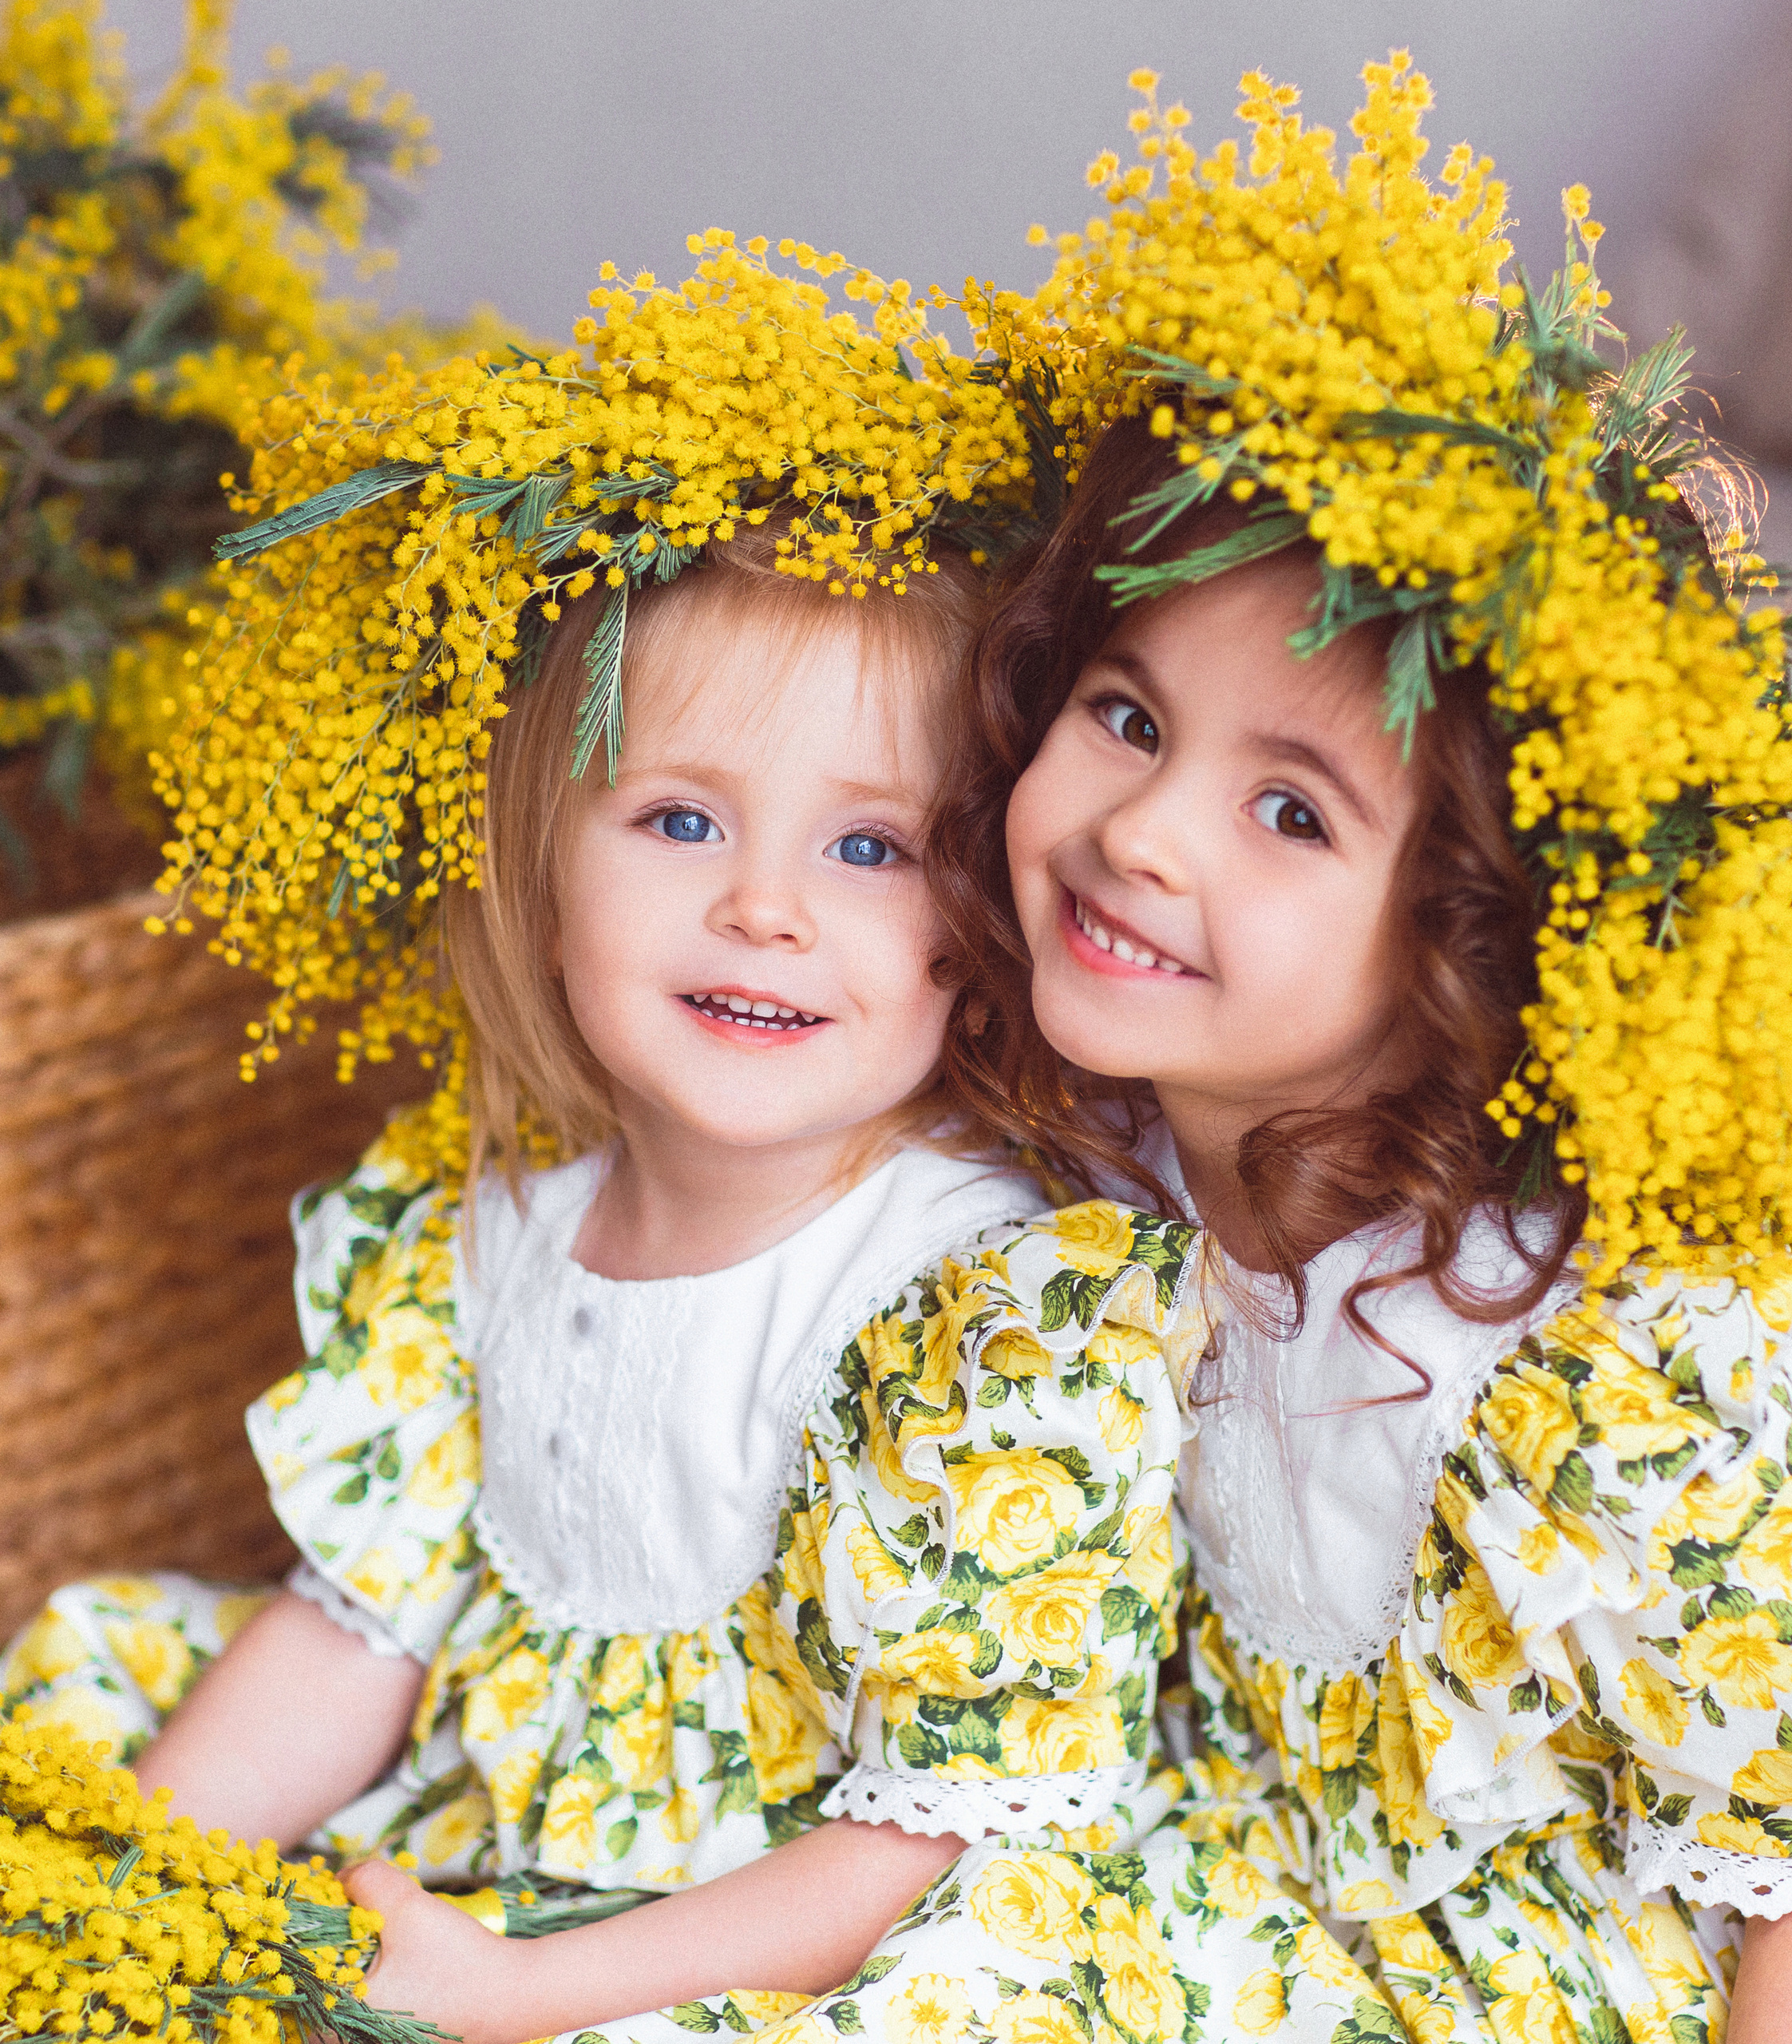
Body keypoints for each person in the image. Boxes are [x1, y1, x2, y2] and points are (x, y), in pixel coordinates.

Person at [745, 57, 1792, 2044]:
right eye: (1121, 712)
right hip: (1293, 1884)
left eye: (1292, 813)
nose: (1139, 829)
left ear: (1474, 937)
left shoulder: (1615, 1368)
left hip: (1670, 1943)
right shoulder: (1089, 1160)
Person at [0, 252, 1201, 2044]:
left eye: (867, 849)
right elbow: (356, 1641)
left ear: (978, 924)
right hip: (507, 1848)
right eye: (680, 815)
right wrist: (114, 1919)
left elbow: (923, 1835)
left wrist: (524, 1991)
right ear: (544, 861)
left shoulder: (979, 1305)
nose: (763, 907)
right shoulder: (485, 1225)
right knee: (94, 1744)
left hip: (817, 1920)